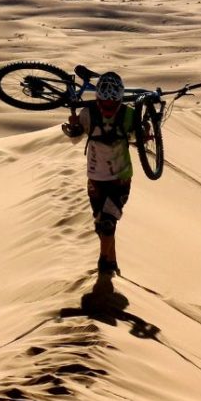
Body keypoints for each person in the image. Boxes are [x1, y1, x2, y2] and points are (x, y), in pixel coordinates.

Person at [62, 71, 135, 277]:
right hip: (95, 178)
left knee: (108, 222)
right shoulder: (87, 114)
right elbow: (75, 139)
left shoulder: (129, 114)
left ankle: (104, 266)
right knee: (101, 223)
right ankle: (112, 261)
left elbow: (136, 138)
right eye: (105, 103)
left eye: (113, 104)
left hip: (121, 178)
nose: (109, 108)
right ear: (98, 99)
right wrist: (74, 127)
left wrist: (145, 132)